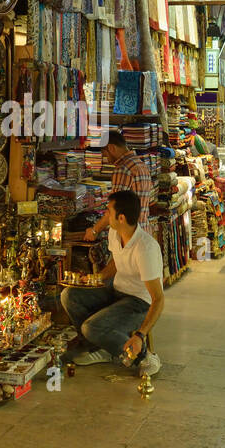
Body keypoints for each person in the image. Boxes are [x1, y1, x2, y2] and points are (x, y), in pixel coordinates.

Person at [61, 190, 163, 376]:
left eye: (108, 211)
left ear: (121, 217)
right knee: (70, 295)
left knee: (91, 327)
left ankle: (144, 356)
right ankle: (98, 348)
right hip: (117, 290)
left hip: (139, 302)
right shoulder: (115, 234)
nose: (105, 215)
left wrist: (140, 335)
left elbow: (158, 299)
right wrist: (96, 278)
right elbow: (117, 261)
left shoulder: (145, 248)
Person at [84, 130, 153, 241]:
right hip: (143, 230)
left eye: (104, 153)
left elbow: (114, 208)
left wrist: (94, 230)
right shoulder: (140, 164)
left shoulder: (123, 169)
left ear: (111, 148)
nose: (105, 158)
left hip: (128, 236)